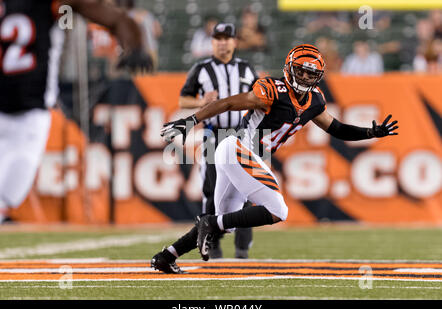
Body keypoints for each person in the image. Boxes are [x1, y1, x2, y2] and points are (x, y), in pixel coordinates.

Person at [153, 44, 399, 273]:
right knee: (277, 210)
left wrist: (370, 132)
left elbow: (335, 128)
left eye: (310, 74)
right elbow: (228, 103)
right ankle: (207, 222)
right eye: (300, 71)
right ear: (289, 69)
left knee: (224, 223)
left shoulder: (315, 101)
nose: (304, 77)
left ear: (318, 76)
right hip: (237, 148)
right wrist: (190, 121)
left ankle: (167, 256)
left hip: (240, 155)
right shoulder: (272, 90)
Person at [0, 0, 153, 237]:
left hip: (25, 118)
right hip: (25, 119)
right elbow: (118, 19)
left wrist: (135, 44)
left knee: (0, 196)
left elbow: (117, 19)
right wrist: (136, 45)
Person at [153, 22, 258, 267]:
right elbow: (182, 98)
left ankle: (242, 247)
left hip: (244, 135)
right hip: (214, 134)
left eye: (227, 38)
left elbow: (259, 97)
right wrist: (201, 100)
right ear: (212, 42)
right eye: (218, 38)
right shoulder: (201, 69)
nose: (222, 42)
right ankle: (213, 244)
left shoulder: (246, 68)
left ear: (235, 42)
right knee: (212, 190)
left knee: (249, 189)